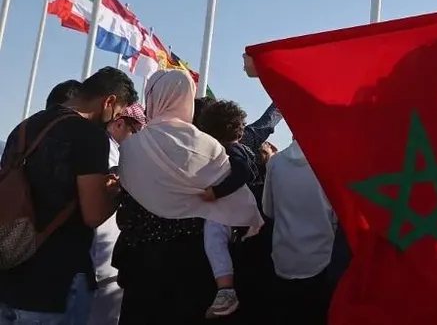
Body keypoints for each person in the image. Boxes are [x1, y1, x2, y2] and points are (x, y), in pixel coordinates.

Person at [114, 70, 263, 324]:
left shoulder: (132, 147)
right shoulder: (208, 147)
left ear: (153, 97)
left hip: (142, 266)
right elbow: (236, 199)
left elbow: (125, 211)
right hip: (193, 267)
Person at [0, 68, 136, 324]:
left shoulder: (25, 127)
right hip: (55, 282)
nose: (112, 120)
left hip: (9, 269)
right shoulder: (91, 137)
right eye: (117, 113)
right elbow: (93, 214)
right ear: (108, 101)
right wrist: (118, 192)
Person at [262, 139, 337, 324]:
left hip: (283, 260)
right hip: (321, 260)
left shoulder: (275, 162)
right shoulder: (330, 163)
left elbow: (268, 210)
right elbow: (337, 217)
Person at [196, 100, 258, 318]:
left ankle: (225, 290)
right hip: (240, 217)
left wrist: (216, 192)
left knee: (213, 238)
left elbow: (242, 173)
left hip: (232, 214)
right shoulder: (238, 149)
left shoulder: (232, 151)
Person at [88, 104, 146, 325]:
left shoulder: (114, 150)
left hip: (104, 259)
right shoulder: (105, 150)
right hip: (97, 257)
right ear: (120, 123)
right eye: (136, 132)